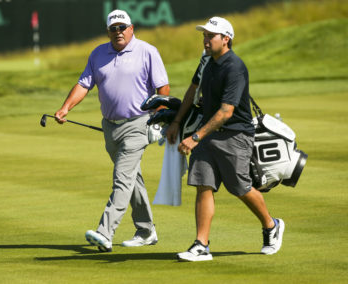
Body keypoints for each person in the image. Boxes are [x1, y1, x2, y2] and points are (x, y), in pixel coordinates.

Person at [166, 16, 285, 262]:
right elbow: (193, 90)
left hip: (235, 134)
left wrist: (195, 136)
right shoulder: (207, 62)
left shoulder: (235, 67)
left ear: (226, 39)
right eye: (204, 35)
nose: (206, 39)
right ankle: (201, 245)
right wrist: (177, 121)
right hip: (208, 135)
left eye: (211, 36)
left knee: (239, 187)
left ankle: (271, 225)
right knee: (203, 185)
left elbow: (226, 111)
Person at [54, 10, 170, 252]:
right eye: (113, 28)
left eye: (122, 27)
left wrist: (159, 118)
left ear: (131, 28)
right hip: (110, 127)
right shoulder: (98, 53)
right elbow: (84, 84)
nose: (118, 32)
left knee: (122, 179)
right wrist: (66, 107)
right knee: (132, 179)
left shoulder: (147, 51)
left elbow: (162, 87)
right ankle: (146, 230)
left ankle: (105, 232)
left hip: (138, 124)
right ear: (108, 31)